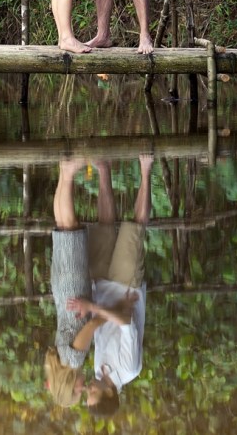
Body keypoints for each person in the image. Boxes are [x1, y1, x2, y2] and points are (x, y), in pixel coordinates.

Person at [66, 153, 153, 416]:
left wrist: (92, 308)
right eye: (93, 394)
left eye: (87, 395)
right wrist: (93, 306)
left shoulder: (97, 370)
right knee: (135, 228)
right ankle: (146, 169)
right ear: (109, 393)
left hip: (101, 287)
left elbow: (102, 326)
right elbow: (125, 321)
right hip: (126, 287)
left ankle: (104, 168)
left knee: (104, 226)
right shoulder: (129, 369)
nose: (88, 389)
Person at [43, 157, 98, 407]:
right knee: (63, 228)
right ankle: (64, 173)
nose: (83, 388)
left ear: (67, 385)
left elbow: (94, 324)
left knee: (71, 227)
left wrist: (113, 315)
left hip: (74, 289)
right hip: (61, 290)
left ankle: (67, 172)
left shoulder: (74, 361)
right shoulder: (61, 357)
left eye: (77, 392)